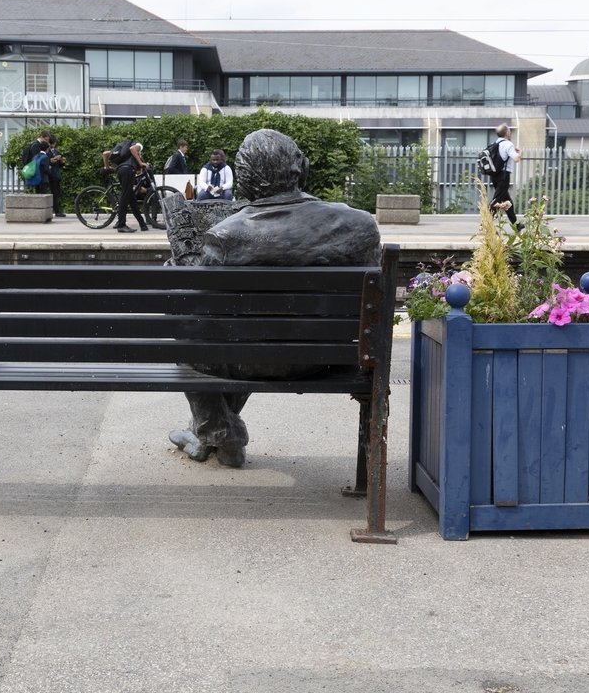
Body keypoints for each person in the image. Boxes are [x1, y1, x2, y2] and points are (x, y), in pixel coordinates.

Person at [167, 128, 381, 467]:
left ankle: (218, 431)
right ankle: (211, 435)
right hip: (328, 359)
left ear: (246, 181)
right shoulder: (361, 225)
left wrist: (177, 261)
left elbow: (192, 307)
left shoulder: (226, 238)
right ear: (302, 168)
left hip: (251, 357)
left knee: (192, 328)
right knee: (252, 332)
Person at [103, 139, 147, 233]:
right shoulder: (137, 145)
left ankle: (142, 224)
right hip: (128, 170)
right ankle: (121, 224)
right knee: (124, 196)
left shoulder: (123, 151)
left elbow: (105, 153)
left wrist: (107, 167)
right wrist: (140, 162)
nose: (140, 153)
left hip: (120, 171)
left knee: (131, 198)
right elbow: (132, 149)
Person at [490, 123, 522, 230]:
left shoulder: (494, 144)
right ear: (507, 133)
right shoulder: (508, 144)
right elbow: (516, 159)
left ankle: (516, 225)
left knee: (507, 201)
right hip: (503, 175)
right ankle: (484, 224)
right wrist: (520, 153)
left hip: (494, 175)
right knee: (496, 200)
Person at [46, 135, 66, 217]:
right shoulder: (47, 152)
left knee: (57, 192)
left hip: (57, 174)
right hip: (51, 175)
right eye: (51, 144)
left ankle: (56, 208)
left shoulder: (56, 151)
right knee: (54, 193)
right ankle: (56, 210)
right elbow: (48, 162)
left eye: (53, 144)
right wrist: (55, 159)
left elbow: (58, 165)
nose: (52, 146)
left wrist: (62, 162)